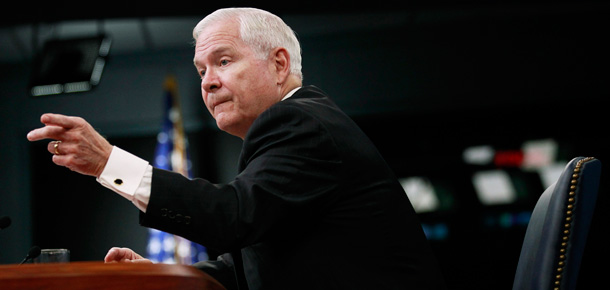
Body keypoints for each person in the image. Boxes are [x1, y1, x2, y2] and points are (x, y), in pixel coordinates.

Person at [27, 7, 446, 290]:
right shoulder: (294, 128)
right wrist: (168, 275)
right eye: (202, 69)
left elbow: (234, 217)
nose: (207, 81)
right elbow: (249, 264)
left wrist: (107, 161)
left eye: (223, 62)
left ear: (279, 65)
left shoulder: (302, 122)